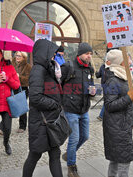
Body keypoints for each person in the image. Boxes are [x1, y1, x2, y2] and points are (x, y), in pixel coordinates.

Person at [22, 39, 63, 177]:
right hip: (40, 122)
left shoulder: (47, 68)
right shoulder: (38, 70)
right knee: (34, 155)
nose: (53, 56)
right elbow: (35, 98)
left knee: (55, 154)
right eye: (51, 53)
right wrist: (55, 104)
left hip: (49, 121)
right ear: (44, 53)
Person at [60, 42, 96, 177]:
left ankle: (70, 153)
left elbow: (90, 86)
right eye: (87, 53)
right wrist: (62, 101)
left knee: (85, 136)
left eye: (90, 54)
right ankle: (71, 166)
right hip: (71, 109)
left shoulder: (89, 69)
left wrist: (92, 92)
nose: (89, 56)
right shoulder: (69, 66)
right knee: (74, 138)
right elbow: (58, 84)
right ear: (80, 54)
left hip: (84, 109)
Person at [102, 49, 133, 177]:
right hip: (117, 128)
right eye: (126, 58)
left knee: (116, 160)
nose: (129, 60)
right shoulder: (112, 80)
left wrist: (131, 120)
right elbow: (109, 105)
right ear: (120, 62)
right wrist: (128, 97)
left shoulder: (122, 76)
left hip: (121, 125)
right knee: (123, 161)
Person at [12, 51, 32, 133]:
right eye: (16, 55)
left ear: (24, 57)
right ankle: (4, 126)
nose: (17, 57)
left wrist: (19, 77)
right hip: (12, 87)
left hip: (23, 89)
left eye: (19, 56)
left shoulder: (28, 67)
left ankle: (22, 126)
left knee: (21, 107)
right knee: (9, 106)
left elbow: (28, 80)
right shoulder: (11, 65)